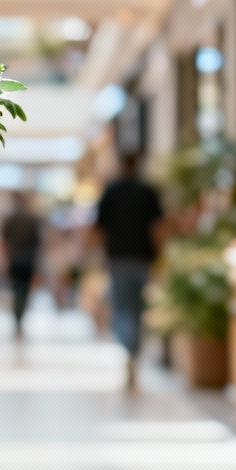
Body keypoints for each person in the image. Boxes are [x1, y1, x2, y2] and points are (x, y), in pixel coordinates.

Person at [93, 152, 165, 390]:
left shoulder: (111, 192)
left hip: (118, 258)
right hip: (142, 258)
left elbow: (99, 228)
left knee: (122, 306)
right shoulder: (147, 192)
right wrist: (159, 254)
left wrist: (101, 255)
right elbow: (157, 228)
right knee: (136, 307)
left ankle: (129, 347)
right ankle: (133, 350)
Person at [0, 191, 42, 337]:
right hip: (28, 260)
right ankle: (19, 318)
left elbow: (4, 242)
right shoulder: (33, 219)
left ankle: (17, 319)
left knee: (16, 289)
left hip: (14, 259)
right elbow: (38, 243)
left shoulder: (10, 220)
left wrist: (6, 258)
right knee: (23, 291)